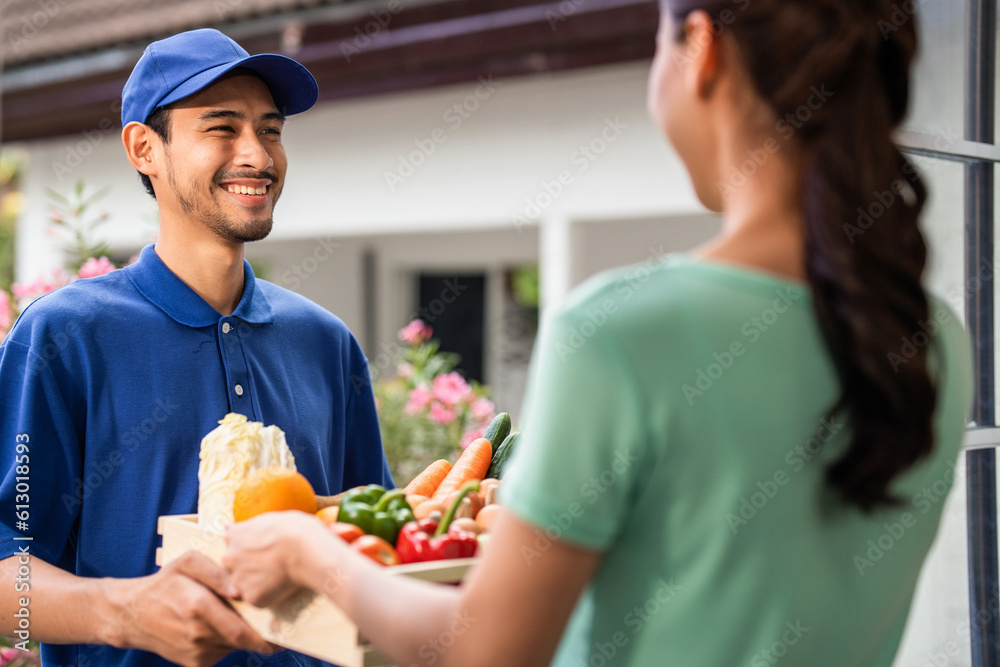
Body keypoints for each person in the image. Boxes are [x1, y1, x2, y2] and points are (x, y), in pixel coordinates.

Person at [224, 0, 974, 665]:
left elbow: (483, 648)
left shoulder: (620, 331)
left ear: (701, 48)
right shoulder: (930, 339)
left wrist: (308, 549)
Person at [0, 28, 393, 667]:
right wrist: (124, 612)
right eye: (221, 127)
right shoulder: (65, 337)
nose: (258, 156)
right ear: (144, 148)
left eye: (270, 130)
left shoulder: (327, 343)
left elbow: (375, 540)